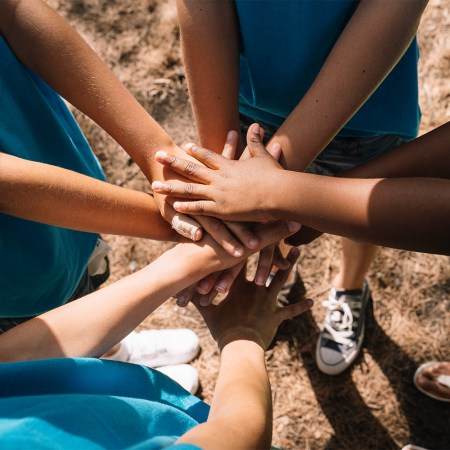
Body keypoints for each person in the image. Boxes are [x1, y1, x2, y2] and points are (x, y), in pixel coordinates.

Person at [175, 0, 429, 375]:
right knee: (264, 213)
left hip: (367, 109)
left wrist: (268, 183)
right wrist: (223, 171)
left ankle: (351, 286)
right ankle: (278, 270)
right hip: (250, 98)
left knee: (358, 210)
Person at [0, 205, 309, 448]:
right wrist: (243, 336)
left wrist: (180, 266)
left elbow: (10, 360)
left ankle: (119, 370)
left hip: (84, 401)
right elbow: (239, 438)